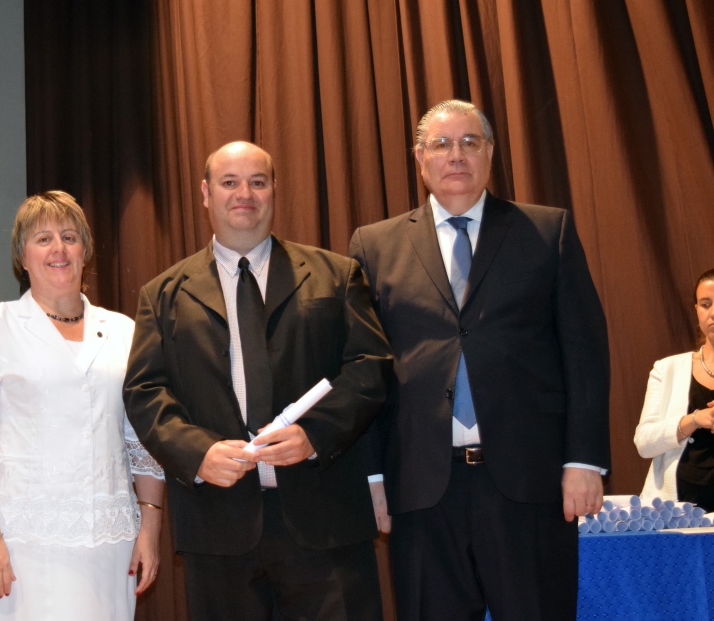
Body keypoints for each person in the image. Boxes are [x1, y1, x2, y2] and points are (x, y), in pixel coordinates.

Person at [349, 99, 610, 621]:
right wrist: (373, 477)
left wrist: (583, 461)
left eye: (471, 142)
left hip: (530, 484)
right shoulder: (374, 245)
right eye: (441, 144)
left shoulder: (546, 231)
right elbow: (363, 370)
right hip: (421, 488)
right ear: (419, 158)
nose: (457, 155)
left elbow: (584, 353)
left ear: (490, 153)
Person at [123, 141, 393, 620]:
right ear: (206, 194)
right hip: (218, 526)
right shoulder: (161, 294)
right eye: (230, 182)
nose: (244, 193)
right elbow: (145, 392)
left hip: (326, 518)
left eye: (257, 181)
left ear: (273, 191)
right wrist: (197, 453)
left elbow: (370, 366)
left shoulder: (336, 275)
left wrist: (315, 434)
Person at [0, 191, 165, 621]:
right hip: (21, 545)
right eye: (42, 239)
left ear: (85, 250)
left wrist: (151, 527)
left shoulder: (124, 331)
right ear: (22, 257)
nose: (58, 249)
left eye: (69, 236)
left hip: (111, 541)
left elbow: (142, 440)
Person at [635, 268, 714, 510]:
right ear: (696, 310)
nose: (713, 313)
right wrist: (695, 419)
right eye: (705, 304)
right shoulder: (667, 369)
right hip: (678, 511)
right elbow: (644, 442)